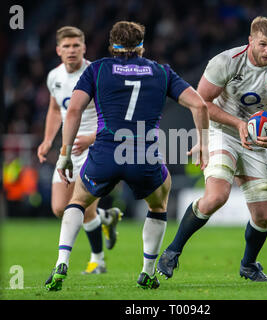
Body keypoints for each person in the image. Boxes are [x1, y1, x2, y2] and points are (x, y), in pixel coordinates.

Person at [44, 21, 209, 291]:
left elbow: (73, 111)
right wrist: (202, 143)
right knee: (158, 203)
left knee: (77, 201)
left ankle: (62, 262)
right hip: (144, 155)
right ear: (142, 46)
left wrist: (64, 153)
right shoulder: (161, 72)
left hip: (105, 153)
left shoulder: (97, 69)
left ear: (112, 45)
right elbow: (199, 104)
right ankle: (147, 271)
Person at [157, 16, 267, 282]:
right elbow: (201, 102)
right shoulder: (226, 61)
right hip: (222, 132)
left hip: (256, 140)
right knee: (217, 197)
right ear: (250, 41)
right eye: (263, 44)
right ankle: (172, 252)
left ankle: (249, 265)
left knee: (263, 215)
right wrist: (237, 123)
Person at [37, 26, 123, 276]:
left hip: (97, 147)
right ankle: (107, 218)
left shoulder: (98, 73)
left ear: (84, 48)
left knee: (84, 206)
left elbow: (116, 115)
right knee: (59, 208)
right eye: (66, 46)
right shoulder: (54, 76)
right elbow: (56, 109)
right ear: (58, 50)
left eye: (76, 45)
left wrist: (92, 137)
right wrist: (47, 140)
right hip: (69, 148)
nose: (71, 50)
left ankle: (97, 260)